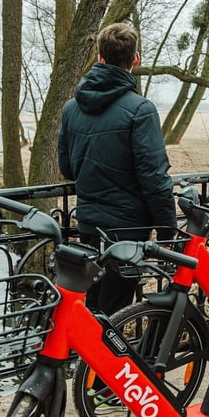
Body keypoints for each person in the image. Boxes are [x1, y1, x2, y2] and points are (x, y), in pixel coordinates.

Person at [57, 22, 177, 316]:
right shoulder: (140, 110)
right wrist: (168, 233)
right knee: (116, 312)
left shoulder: (71, 108)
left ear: (100, 57)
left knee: (93, 306)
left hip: (88, 224)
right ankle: (105, 362)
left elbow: (67, 169)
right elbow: (155, 179)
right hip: (128, 230)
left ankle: (85, 362)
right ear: (135, 59)